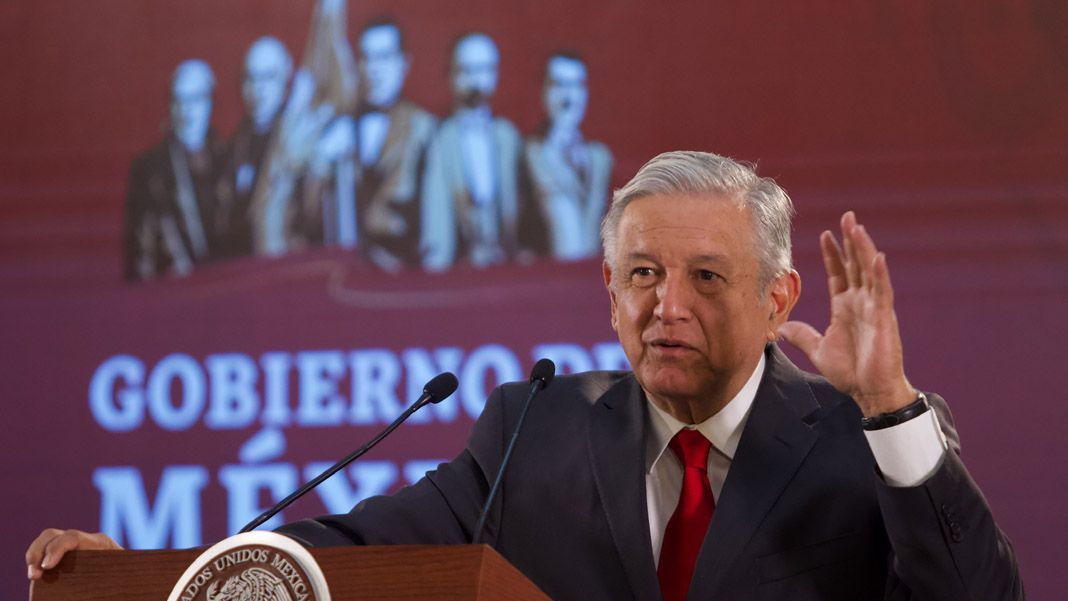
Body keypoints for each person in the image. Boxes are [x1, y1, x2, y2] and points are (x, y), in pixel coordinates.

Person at [28, 152, 1022, 600]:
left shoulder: (868, 438)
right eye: (642, 274)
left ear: (778, 298)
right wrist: (147, 574)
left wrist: (887, 402)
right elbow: (356, 547)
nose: (665, 305)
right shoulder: (535, 428)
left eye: (706, 277)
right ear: (608, 290)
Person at [419, 32, 523, 271]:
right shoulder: (439, 141)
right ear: (450, 76)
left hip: (508, 267)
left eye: (484, 70)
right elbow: (436, 221)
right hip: (460, 270)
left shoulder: (508, 137)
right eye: (466, 71)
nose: (476, 81)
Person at [122, 59, 222, 281]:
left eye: (195, 100)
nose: (186, 110)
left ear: (210, 102)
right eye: (179, 100)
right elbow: (140, 249)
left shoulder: (227, 157)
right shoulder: (148, 169)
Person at [351, 16, 437, 270]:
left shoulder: (423, 127)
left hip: (406, 269)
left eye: (384, 57)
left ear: (403, 63)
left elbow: (436, 218)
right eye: (367, 58)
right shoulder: (341, 126)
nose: (373, 69)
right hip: (346, 270)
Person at [524, 51, 612, 261]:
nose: (568, 97)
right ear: (543, 92)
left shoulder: (599, 158)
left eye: (576, 85)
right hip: (548, 271)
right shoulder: (531, 152)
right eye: (558, 85)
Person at [216, 37, 293, 259]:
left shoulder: (298, 142)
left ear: (286, 83)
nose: (258, 89)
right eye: (251, 78)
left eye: (268, 77)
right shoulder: (233, 148)